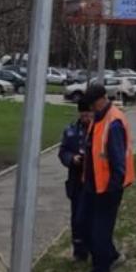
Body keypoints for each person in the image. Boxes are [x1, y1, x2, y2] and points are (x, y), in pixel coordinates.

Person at [80, 84, 135, 272]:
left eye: (93, 104)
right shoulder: (98, 119)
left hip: (108, 190)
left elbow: (118, 163)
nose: (91, 108)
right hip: (92, 186)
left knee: (99, 236)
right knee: (86, 227)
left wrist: (112, 189)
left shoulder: (114, 122)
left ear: (102, 99)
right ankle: (112, 256)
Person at [58, 97, 94, 260]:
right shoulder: (71, 130)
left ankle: (94, 246)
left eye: (88, 115)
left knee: (93, 216)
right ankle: (79, 250)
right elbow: (63, 151)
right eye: (83, 115)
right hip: (76, 180)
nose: (86, 118)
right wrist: (72, 159)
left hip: (93, 179)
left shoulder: (98, 130)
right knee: (77, 217)